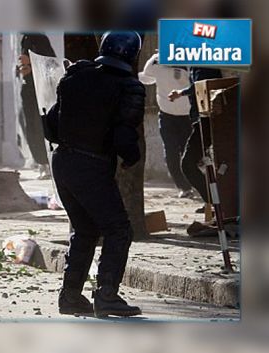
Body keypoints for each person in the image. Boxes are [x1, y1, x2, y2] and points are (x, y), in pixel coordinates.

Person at [48, 32, 145, 317]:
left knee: (86, 229)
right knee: (118, 229)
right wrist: (131, 157)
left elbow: (53, 122)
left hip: (62, 161)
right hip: (91, 165)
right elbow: (124, 135)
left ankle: (70, 297)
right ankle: (106, 295)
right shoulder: (129, 87)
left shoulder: (75, 76)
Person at [139, 53, 194, 198]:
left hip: (187, 116)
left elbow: (195, 85)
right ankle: (184, 187)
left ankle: (196, 184)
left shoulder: (188, 62)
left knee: (188, 153)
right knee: (170, 153)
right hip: (166, 115)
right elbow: (146, 76)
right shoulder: (157, 61)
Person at [168, 67, 223, 209]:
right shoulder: (195, 64)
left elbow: (203, 84)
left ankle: (217, 203)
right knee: (205, 163)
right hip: (203, 119)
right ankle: (215, 204)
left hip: (207, 119)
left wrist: (181, 93)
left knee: (188, 164)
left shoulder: (203, 62)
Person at [18, 33, 55, 180]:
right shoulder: (25, 39)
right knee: (30, 126)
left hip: (40, 90)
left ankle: (46, 163)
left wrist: (32, 64)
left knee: (40, 126)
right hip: (27, 88)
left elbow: (50, 63)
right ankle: (40, 162)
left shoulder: (40, 39)